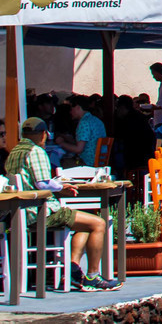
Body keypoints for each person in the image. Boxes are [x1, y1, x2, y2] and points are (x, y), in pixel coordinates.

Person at [7, 117, 118, 291]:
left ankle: (72, 269)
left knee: (85, 224)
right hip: (41, 212)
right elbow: (42, 184)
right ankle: (93, 277)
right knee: (98, 223)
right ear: (44, 135)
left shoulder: (14, 151)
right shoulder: (35, 151)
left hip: (23, 212)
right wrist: (61, 186)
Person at [55, 95, 104, 166]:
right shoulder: (96, 120)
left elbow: (79, 149)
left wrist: (61, 143)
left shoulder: (84, 122)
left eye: (71, 108)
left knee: (60, 162)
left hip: (87, 163)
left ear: (78, 107)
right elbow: (84, 142)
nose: (70, 112)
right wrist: (65, 137)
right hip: (98, 161)